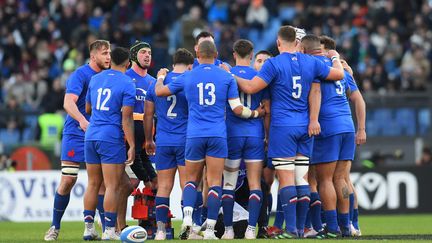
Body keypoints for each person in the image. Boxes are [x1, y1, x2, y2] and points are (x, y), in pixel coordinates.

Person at [228, 25, 345, 238]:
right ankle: (301, 229)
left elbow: (251, 88)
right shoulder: (310, 61)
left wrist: (231, 76)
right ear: (298, 43)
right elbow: (338, 74)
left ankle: (291, 230)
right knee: (302, 180)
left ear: (279, 42)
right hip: (305, 127)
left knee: (287, 180)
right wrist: (335, 57)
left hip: (283, 127)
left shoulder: (273, 64)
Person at [154, 40, 264, 239]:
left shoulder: (188, 76)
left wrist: (161, 77)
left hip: (194, 134)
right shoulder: (226, 76)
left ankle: (187, 217)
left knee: (190, 181)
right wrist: (257, 113)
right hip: (217, 135)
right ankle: (211, 230)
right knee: (214, 182)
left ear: (197, 57)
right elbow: (237, 109)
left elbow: (160, 92)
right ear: (215, 56)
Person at [44, 40, 110, 241]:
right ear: (93, 56)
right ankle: (54, 227)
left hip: (98, 134)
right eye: (105, 53)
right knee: (68, 180)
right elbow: (68, 102)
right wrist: (82, 120)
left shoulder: (109, 76)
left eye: (109, 53)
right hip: (76, 133)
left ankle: (102, 227)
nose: (108, 57)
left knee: (101, 183)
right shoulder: (81, 75)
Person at [83, 47, 136, 240]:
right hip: (110, 137)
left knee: (93, 184)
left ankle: (89, 228)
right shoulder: (127, 82)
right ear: (128, 63)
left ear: (110, 60)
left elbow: (88, 108)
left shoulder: (95, 79)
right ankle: (109, 230)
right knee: (112, 186)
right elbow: (127, 117)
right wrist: (131, 144)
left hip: (91, 135)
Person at [144, 48, 194, 240]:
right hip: (185, 139)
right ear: (190, 65)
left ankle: (161, 231)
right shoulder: (190, 81)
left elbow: (148, 115)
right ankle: (189, 227)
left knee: (164, 186)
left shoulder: (156, 84)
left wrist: (149, 140)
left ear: (173, 64)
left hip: (163, 141)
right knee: (186, 184)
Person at [221, 39, 269, 240]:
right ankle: (251, 229)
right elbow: (267, 109)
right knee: (255, 183)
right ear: (251, 55)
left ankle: (229, 229)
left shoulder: (226, 76)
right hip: (255, 135)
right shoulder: (260, 77)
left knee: (229, 184)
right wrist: (267, 135)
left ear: (234, 54)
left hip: (232, 134)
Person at [320, 36, 367, 237]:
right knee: (343, 179)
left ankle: (331, 225)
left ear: (329, 52)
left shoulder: (321, 71)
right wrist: (361, 129)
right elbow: (359, 100)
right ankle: (349, 225)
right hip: (347, 127)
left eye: (319, 50)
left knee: (325, 180)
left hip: (328, 128)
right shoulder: (346, 73)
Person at [116, 41, 158, 231]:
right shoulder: (125, 78)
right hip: (127, 140)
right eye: (143, 52)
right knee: (130, 183)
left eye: (149, 52)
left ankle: (148, 221)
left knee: (155, 182)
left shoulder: (153, 81)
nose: (147, 55)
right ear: (133, 56)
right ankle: (115, 223)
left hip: (146, 141)